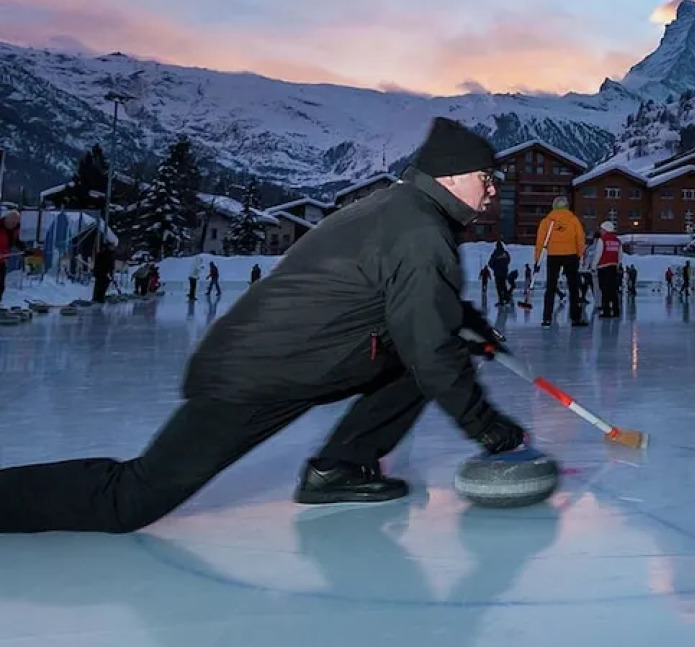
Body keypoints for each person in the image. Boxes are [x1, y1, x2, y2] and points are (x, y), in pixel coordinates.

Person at [0, 117, 526, 535]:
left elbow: (415, 306)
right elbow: (432, 350)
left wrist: (467, 321)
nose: (492, 193)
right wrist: (490, 431)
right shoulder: (419, 230)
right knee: (130, 501)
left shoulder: (402, 210)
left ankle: (340, 468)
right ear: (452, 177)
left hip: (304, 359)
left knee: (416, 363)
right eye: (487, 180)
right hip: (255, 373)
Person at [534, 196, 586, 327]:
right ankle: (575, 318)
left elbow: (540, 242)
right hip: (571, 255)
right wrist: (579, 254)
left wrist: (537, 259)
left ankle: (547, 318)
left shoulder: (547, 221)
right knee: (574, 287)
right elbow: (580, 238)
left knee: (551, 287)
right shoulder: (573, 220)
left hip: (554, 255)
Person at [595, 220, 624, 318]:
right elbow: (620, 255)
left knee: (604, 290)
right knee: (613, 290)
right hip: (613, 267)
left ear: (605, 229)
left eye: (601, 229)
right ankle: (616, 310)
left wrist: (594, 266)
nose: (600, 231)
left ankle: (606, 310)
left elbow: (598, 254)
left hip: (603, 267)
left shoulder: (602, 240)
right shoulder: (617, 241)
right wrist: (618, 265)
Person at [0, 208, 22, 305]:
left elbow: (16, 241)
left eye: (15, 222)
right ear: (6, 219)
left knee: (0, 285)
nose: (13, 224)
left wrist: (25, 249)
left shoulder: (14, 229)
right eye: (12, 222)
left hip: (2, 260)